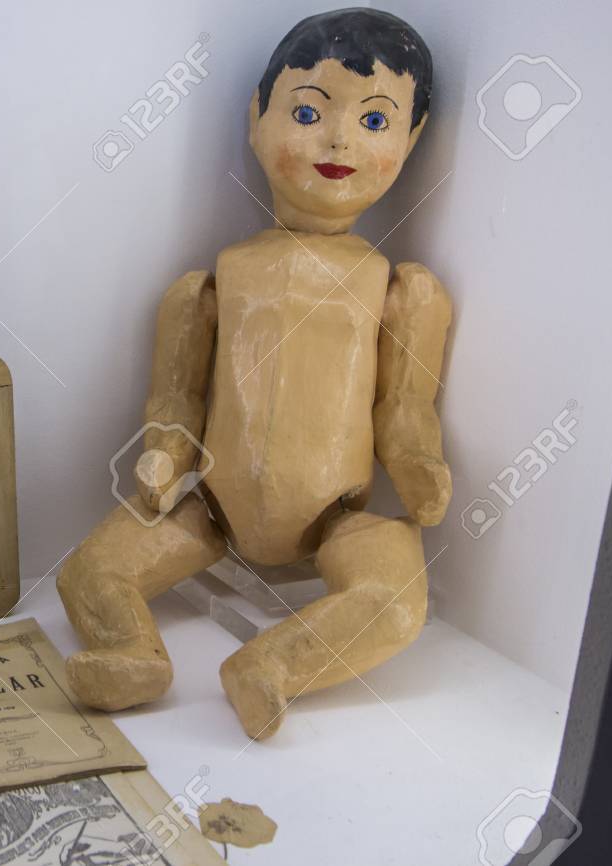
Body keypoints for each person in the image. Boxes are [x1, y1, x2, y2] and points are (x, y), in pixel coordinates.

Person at [58, 8, 450, 741]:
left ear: (412, 139)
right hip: (212, 510)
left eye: (374, 122)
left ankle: (270, 665)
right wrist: (163, 452)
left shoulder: (399, 289)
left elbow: (404, 404)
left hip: (341, 517)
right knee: (89, 572)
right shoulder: (212, 284)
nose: (338, 141)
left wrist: (419, 463)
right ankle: (131, 651)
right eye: (307, 111)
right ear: (255, 120)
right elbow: (177, 394)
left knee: (395, 599)